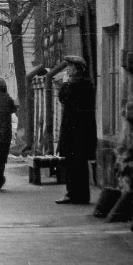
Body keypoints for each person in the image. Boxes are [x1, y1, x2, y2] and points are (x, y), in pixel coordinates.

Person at [55, 55, 97, 205]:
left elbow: (63, 97)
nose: (68, 70)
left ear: (75, 69)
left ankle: (73, 193)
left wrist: (65, 82)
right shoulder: (87, 84)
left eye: (70, 67)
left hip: (74, 131)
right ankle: (81, 195)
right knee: (80, 163)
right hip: (83, 130)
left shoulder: (74, 85)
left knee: (73, 163)